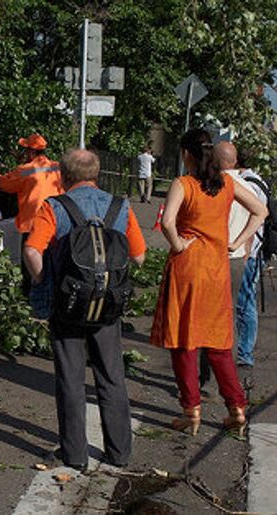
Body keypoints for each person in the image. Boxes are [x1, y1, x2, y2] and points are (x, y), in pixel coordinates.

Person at [24, 149, 146, 471]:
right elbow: (139, 257)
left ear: (63, 175)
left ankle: (75, 455)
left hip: (68, 305)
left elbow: (32, 251)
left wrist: (43, 280)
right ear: (98, 172)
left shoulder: (54, 207)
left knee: (71, 379)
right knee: (111, 376)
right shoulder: (121, 206)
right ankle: (119, 453)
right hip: (107, 306)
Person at [150, 129, 267, 437]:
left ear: (186, 154)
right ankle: (237, 408)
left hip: (188, 267)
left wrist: (177, 244)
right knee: (218, 342)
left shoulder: (183, 184)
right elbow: (261, 211)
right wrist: (238, 242)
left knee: (184, 340)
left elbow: (167, 221)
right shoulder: (227, 183)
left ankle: (192, 411)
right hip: (217, 267)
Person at [215, 142, 268, 369]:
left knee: (242, 305)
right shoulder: (260, 183)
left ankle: (243, 352)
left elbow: (255, 215)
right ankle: (241, 351)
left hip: (244, 254)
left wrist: (241, 244)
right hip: (252, 251)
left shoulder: (243, 185)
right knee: (243, 303)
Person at [0, 133, 63, 292]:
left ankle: (32, 302)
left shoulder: (26, 171)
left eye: (25, 150)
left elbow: (4, 184)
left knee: (31, 269)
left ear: (31, 152)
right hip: (56, 225)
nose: (23, 153)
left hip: (33, 226)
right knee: (53, 265)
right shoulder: (57, 167)